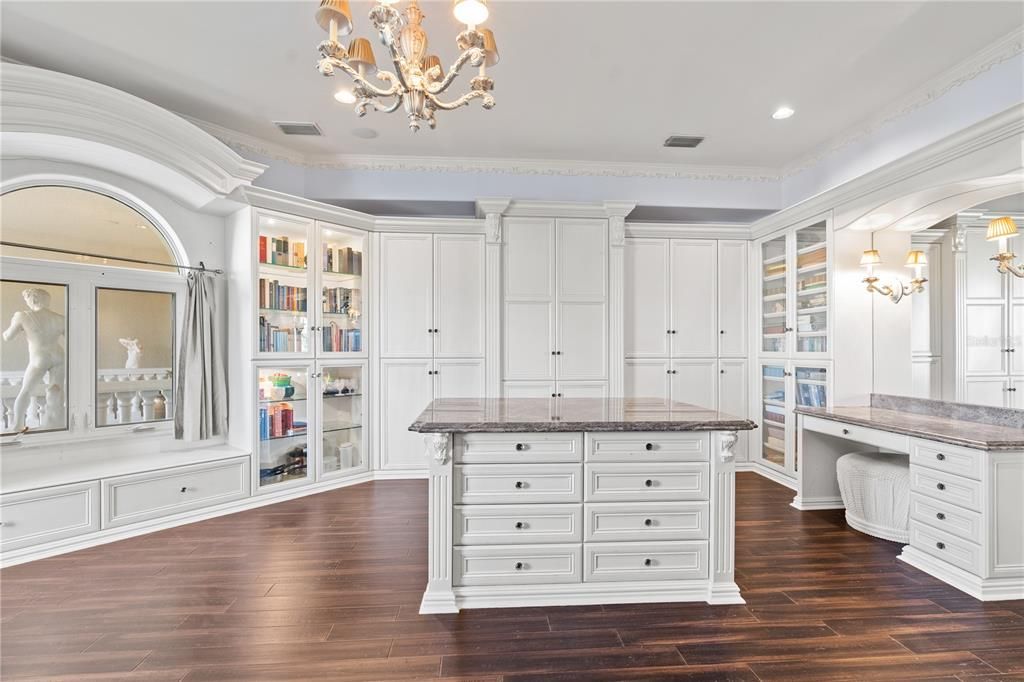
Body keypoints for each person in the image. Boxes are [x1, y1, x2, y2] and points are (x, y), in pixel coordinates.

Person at [2, 287, 66, 431]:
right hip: (59, 355)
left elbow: (8, 336)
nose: (27, 303)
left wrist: (11, 326)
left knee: (26, 391)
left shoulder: (22, 316)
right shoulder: (60, 318)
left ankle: (17, 425)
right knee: (56, 390)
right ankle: (55, 423)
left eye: (27, 300)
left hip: (39, 357)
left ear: (34, 299)